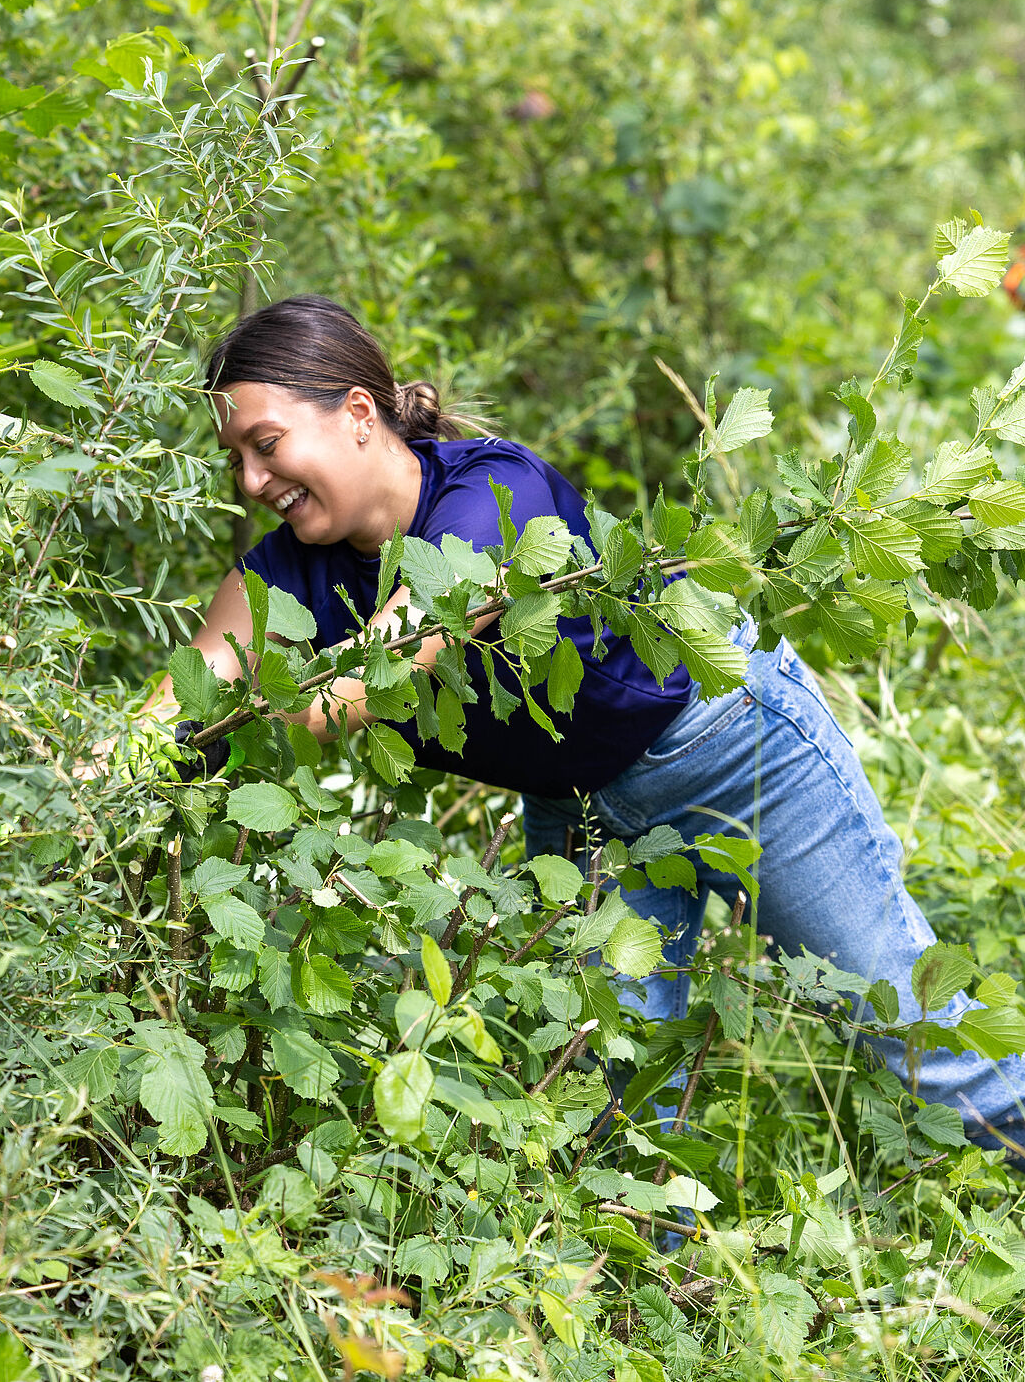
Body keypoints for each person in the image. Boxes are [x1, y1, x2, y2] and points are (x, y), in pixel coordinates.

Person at [142, 292, 1025, 1158]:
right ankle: (657, 1296)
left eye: (265, 446)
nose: (253, 484)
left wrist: (269, 695)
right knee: (614, 1111)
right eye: (238, 462)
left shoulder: (495, 493)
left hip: (728, 751)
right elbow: (170, 705)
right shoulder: (284, 570)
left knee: (930, 1058)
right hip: (588, 817)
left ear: (359, 413)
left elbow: (373, 678)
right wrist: (90, 772)